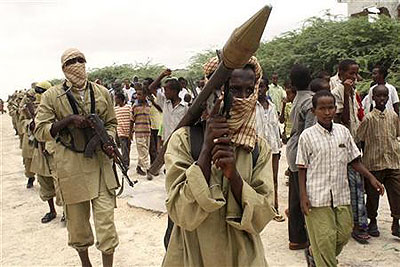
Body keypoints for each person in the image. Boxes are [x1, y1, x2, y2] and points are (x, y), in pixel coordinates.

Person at [163, 57, 275, 266]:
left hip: (242, 256)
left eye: (249, 90)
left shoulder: (257, 148)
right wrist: (205, 152)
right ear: (215, 92)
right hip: (192, 253)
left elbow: (263, 213)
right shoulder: (184, 140)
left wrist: (234, 176)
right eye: (234, 90)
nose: (243, 98)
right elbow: (179, 210)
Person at [34, 48, 119, 267]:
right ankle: (86, 264)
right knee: (78, 226)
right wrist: (69, 120)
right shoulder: (52, 96)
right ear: (63, 68)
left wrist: (107, 140)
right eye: (72, 61)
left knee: (106, 224)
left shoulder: (102, 92)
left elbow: (112, 123)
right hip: (71, 166)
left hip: (100, 164)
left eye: (81, 60)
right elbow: (40, 129)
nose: (77, 64)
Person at [297, 90, 384, 267]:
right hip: (317, 196)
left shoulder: (343, 132)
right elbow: (301, 169)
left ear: (335, 109)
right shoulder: (307, 136)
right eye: (322, 108)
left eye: (330, 107)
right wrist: (303, 196)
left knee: (344, 233)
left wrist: (371, 178)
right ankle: (323, 258)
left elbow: (354, 160)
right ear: (314, 111)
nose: (327, 112)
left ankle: (315, 252)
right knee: (325, 238)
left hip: (341, 194)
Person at [331, 59, 369, 244]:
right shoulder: (338, 91)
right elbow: (344, 119)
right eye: (350, 74)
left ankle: (358, 223)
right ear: (341, 73)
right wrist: (346, 93)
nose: (353, 77)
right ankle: (354, 225)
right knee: (350, 185)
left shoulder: (353, 91)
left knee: (356, 185)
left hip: (353, 143)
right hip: (342, 146)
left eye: (355, 74)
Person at [356, 85, 400, 239]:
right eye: (379, 96)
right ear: (373, 98)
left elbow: (396, 134)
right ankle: (372, 221)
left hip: (393, 161)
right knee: (373, 196)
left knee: (396, 193)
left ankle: (396, 221)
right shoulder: (368, 118)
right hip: (374, 163)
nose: (382, 99)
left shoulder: (393, 116)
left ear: (388, 97)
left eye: (385, 96)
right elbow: (359, 138)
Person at [285, 64, 314, 250]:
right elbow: (309, 133)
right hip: (302, 152)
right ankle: (307, 235)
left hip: (292, 150)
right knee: (305, 194)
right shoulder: (310, 102)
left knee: (295, 195)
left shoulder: (297, 99)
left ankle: (296, 238)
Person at [29, 80, 60, 223]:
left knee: (60, 182)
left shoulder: (55, 105)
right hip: (39, 150)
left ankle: (67, 212)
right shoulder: (36, 108)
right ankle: (52, 211)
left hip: (53, 149)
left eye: (41, 92)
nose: (38, 95)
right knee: (44, 181)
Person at [256, 76, 285, 222]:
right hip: (258, 148)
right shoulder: (252, 107)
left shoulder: (272, 107)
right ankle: (260, 209)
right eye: (257, 86)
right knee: (259, 178)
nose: (259, 89)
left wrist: (279, 147)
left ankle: (274, 207)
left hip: (273, 148)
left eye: (262, 86)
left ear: (266, 88)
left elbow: (275, 128)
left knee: (273, 178)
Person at [150, 70, 188, 144]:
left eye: (166, 90)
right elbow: (151, 88)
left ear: (174, 91)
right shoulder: (164, 102)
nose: (164, 93)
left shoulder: (185, 107)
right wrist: (162, 75)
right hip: (167, 141)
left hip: (180, 143)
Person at [130, 85, 152, 180]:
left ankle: (139, 167)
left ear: (145, 95)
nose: (137, 96)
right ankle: (148, 170)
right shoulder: (135, 106)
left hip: (147, 131)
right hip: (138, 132)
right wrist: (130, 133)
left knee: (144, 151)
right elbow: (131, 120)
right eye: (137, 94)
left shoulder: (149, 105)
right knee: (143, 151)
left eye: (140, 94)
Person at [19, 86, 37, 188]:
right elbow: (21, 119)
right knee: (28, 159)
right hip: (30, 135)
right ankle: (30, 177)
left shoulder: (46, 101)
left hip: (43, 134)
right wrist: (29, 123)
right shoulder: (24, 104)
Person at [143, 77, 162, 166]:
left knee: (157, 147)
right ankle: (153, 163)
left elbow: (162, 109)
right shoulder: (144, 97)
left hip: (157, 123)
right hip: (148, 124)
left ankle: (156, 164)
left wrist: (153, 102)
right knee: (151, 147)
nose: (145, 86)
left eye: (146, 84)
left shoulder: (156, 95)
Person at [114, 92, 132, 168]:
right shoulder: (115, 109)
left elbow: (131, 120)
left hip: (128, 130)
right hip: (120, 131)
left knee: (127, 147)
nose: (115, 100)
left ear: (120, 99)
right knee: (123, 147)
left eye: (116, 98)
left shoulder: (128, 107)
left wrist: (131, 132)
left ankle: (126, 160)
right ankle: (125, 163)